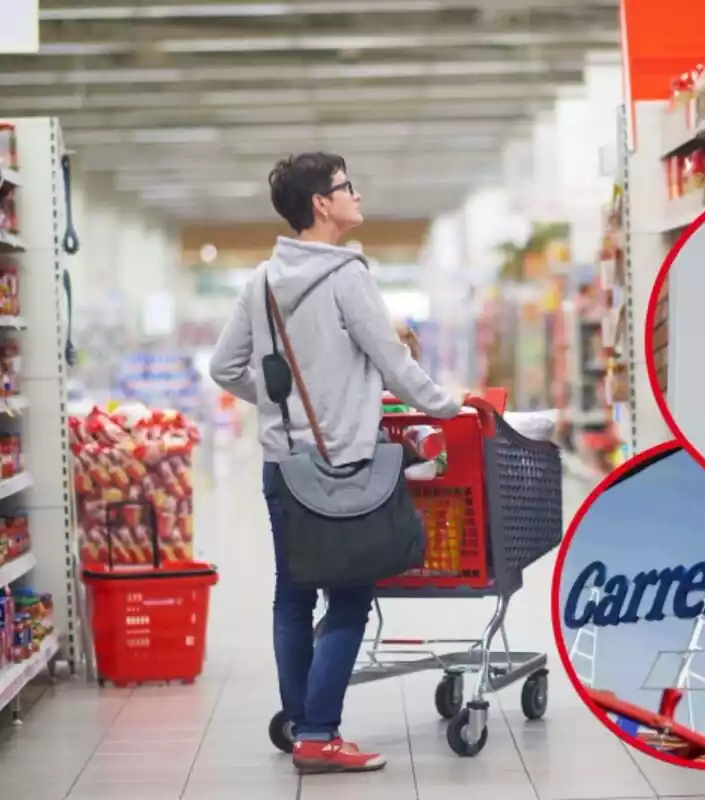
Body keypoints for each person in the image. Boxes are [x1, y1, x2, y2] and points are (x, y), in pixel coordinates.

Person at [209, 153, 464, 774]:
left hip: (283, 465)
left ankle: (302, 723)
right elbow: (392, 361)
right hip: (344, 462)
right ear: (322, 204)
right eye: (347, 186)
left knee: (292, 596)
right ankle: (320, 735)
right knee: (349, 598)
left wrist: (279, 404)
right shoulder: (347, 275)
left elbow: (223, 368)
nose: (356, 194)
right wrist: (449, 406)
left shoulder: (263, 281)